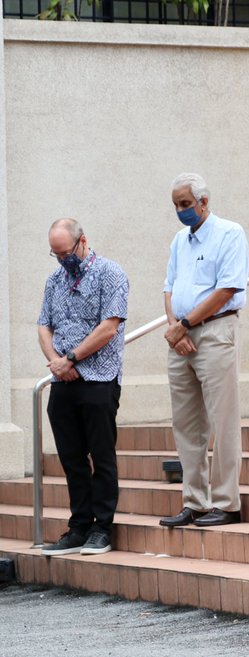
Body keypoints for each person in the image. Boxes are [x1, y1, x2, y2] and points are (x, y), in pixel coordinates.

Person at [159, 173, 249, 528]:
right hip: (180, 336)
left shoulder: (230, 233)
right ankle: (194, 502)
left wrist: (186, 324)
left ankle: (227, 503)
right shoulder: (180, 240)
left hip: (215, 332)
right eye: (176, 205)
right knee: (186, 424)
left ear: (204, 202)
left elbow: (227, 287)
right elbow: (169, 288)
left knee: (223, 420)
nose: (181, 211)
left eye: (186, 204)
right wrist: (174, 328)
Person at [37, 219, 129, 557]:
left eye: (66, 252)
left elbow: (109, 327)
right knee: (71, 458)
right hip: (64, 381)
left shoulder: (111, 273)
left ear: (82, 241)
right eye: (56, 254)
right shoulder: (54, 279)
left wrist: (72, 358)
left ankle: (101, 529)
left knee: (101, 456)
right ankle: (78, 527)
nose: (63, 259)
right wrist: (57, 362)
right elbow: (43, 325)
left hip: (100, 379)